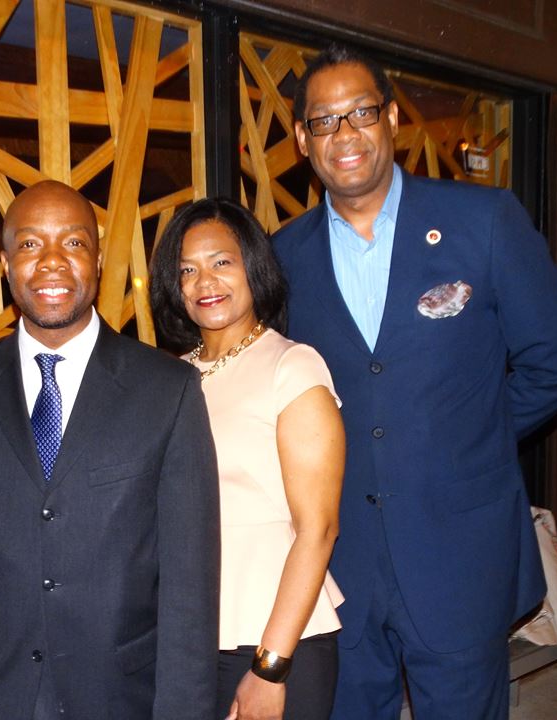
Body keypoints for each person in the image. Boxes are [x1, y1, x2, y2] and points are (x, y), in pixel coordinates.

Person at [272, 43, 557, 719]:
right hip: (338, 561)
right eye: (324, 121)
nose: (345, 133)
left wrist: (467, 433)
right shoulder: (283, 255)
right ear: (303, 139)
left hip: (460, 553)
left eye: (361, 112)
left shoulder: (485, 221)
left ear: (390, 118)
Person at [0, 180, 220, 720]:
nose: (53, 262)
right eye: (32, 244)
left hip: (120, 696)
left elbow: (190, 583)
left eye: (74, 243)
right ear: (5, 261)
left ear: (99, 257)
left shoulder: (167, 389)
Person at [150, 198, 347, 720]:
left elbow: (319, 528)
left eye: (221, 262)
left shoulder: (292, 365)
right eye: (187, 270)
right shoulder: (170, 377)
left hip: (274, 638)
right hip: (190, 635)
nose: (204, 281)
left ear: (252, 267)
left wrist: (270, 667)